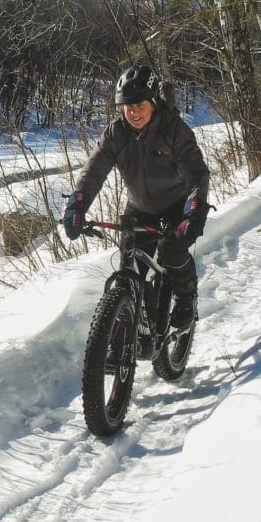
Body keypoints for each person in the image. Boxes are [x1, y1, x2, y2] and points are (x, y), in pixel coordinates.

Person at [63, 64, 210, 329]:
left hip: (177, 205)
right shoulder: (115, 133)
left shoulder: (174, 130)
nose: (133, 113)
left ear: (153, 102)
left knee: (171, 252)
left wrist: (194, 211)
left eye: (139, 105)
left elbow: (196, 174)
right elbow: (93, 172)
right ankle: (124, 332)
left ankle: (187, 299)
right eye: (127, 107)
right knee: (129, 275)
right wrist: (77, 206)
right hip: (139, 208)